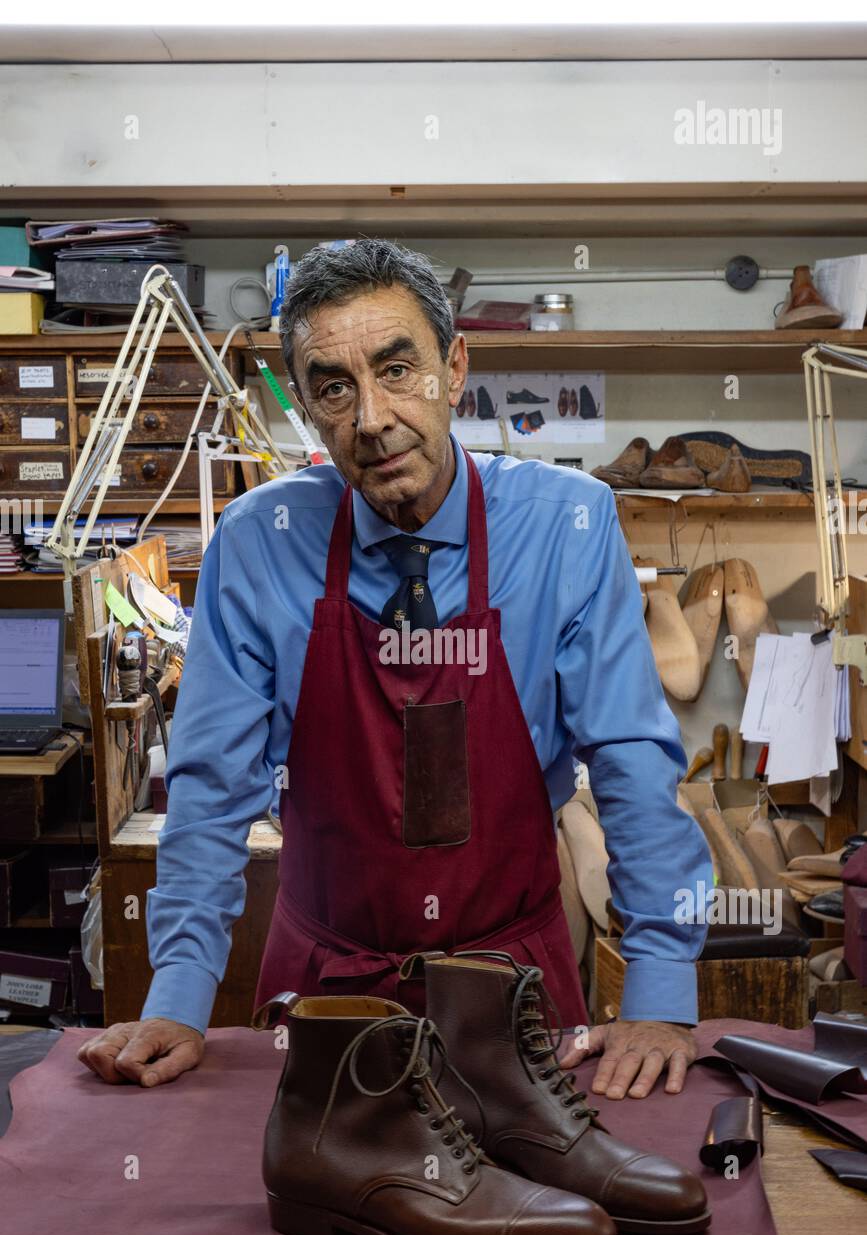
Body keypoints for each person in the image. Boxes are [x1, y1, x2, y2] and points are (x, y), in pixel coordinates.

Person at [78, 238, 712, 1098]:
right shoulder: (258, 544)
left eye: (397, 368)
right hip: (326, 992)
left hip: (515, 982)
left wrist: (660, 993)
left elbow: (633, 760)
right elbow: (211, 784)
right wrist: (180, 999)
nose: (370, 417)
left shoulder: (567, 525)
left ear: (454, 368)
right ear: (301, 403)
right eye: (333, 386)